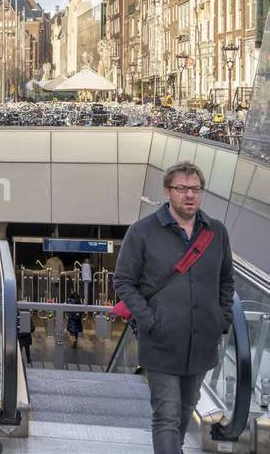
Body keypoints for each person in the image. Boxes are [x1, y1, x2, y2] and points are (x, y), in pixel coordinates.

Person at [114, 161, 234, 454]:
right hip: (161, 342)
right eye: (182, 189)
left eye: (195, 189)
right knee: (166, 415)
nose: (189, 195)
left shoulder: (216, 232)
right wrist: (150, 320)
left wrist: (222, 319)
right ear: (168, 191)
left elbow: (226, 280)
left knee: (184, 411)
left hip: (202, 342)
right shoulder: (142, 231)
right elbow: (124, 281)